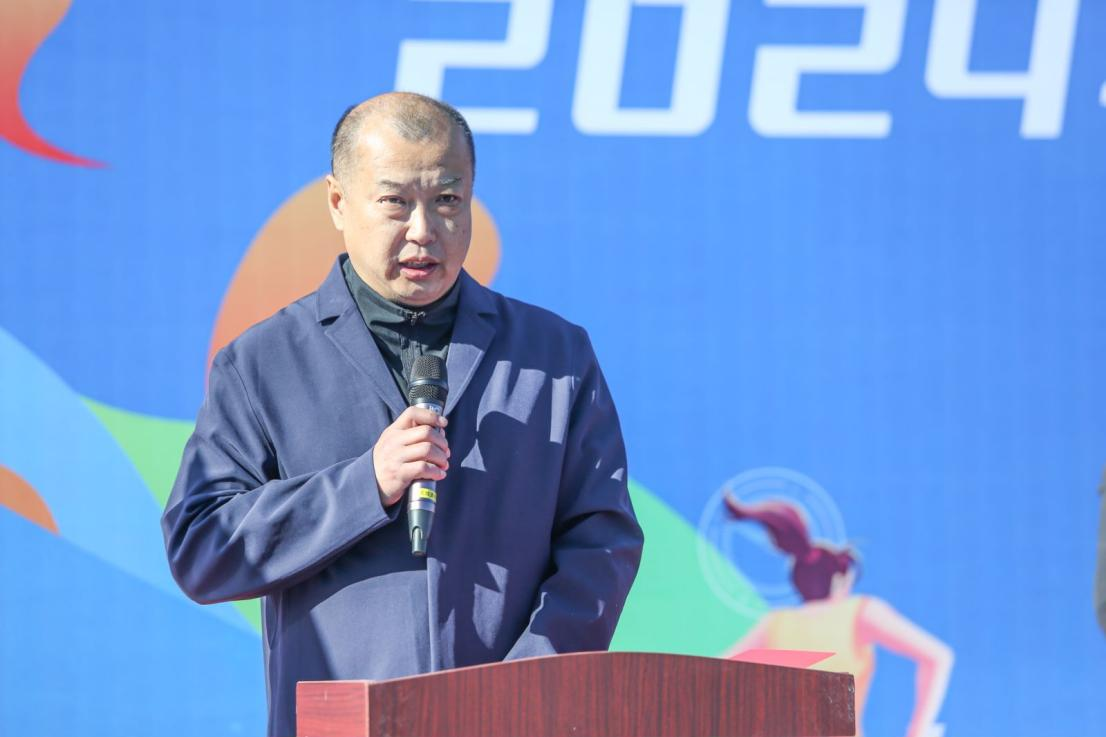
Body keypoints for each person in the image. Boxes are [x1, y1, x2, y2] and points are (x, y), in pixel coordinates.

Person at [161, 92, 644, 737]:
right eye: (395, 201)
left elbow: (603, 543)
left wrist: (524, 691)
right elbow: (202, 549)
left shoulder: (554, 357)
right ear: (339, 202)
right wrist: (367, 483)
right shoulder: (262, 363)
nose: (423, 230)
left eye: (447, 200)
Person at [722, 496, 953, 737]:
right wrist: (919, 730)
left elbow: (711, 675)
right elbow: (937, 657)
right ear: (839, 581)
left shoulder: (777, 623)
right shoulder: (859, 612)